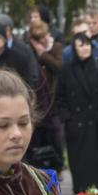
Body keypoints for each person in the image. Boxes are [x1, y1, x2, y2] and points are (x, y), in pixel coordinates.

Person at [57, 32, 98, 193]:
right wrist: (67, 118)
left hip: (96, 126)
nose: (85, 48)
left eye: (87, 44)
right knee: (78, 167)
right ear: (74, 49)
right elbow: (60, 98)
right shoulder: (66, 70)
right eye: (80, 45)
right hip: (76, 127)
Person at [25, 19, 64, 172]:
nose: (44, 40)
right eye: (39, 38)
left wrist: (43, 55)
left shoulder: (56, 47)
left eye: (45, 36)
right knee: (37, 138)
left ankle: (58, 166)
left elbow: (59, 67)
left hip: (53, 99)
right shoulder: (29, 51)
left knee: (55, 136)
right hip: (37, 99)